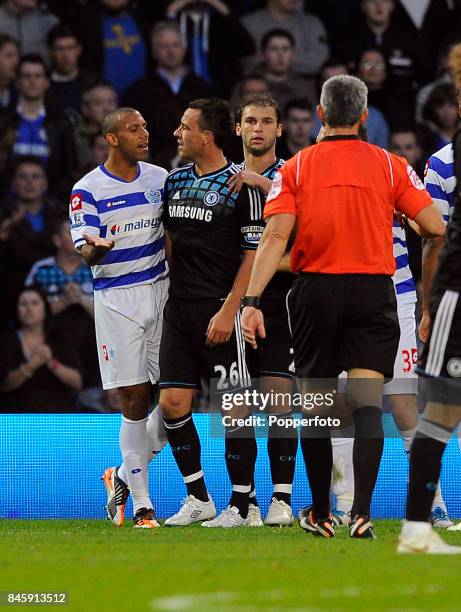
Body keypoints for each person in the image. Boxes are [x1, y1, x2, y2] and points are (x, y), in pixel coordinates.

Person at [241, 75, 445, 539]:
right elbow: (433, 227)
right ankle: (363, 514)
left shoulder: (295, 169)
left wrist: (252, 300)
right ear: (364, 116)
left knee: (317, 405)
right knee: (369, 405)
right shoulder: (391, 166)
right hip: (375, 291)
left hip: (315, 293)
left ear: (319, 115)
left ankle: (317, 510)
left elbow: (274, 237)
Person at [159, 98, 264, 527]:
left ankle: (244, 503)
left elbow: (253, 256)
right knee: (171, 403)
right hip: (178, 309)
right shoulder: (174, 181)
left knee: (234, 408)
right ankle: (198, 497)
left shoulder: (242, 186)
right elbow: (168, 241)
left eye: (185, 127)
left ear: (207, 136)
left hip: (222, 311)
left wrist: (230, 311)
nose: (177, 134)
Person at [70, 106, 169, 528]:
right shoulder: (86, 189)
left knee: (175, 396)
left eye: (145, 127)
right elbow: (85, 249)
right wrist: (95, 249)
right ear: (112, 138)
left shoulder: (160, 178)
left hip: (161, 291)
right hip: (117, 298)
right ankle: (143, 504)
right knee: (134, 400)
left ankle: (120, 479)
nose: (144, 134)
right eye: (133, 129)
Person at [227, 94, 297, 526]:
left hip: (282, 300)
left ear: (279, 130)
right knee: (234, 403)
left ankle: (282, 501)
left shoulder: (294, 174)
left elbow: (308, 235)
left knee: (278, 400)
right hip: (234, 301)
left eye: (267, 121)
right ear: (237, 128)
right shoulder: (221, 180)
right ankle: (242, 503)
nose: (258, 128)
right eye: (250, 120)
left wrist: (263, 185)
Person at [397, 127, 461, 554]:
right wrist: (428, 308)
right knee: (441, 409)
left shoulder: (442, 161)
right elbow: (432, 236)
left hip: (451, 296)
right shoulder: (444, 161)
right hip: (456, 294)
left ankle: (418, 526)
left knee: (440, 409)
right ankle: (420, 523)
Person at [25, 214, 102, 411]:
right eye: (70, 232)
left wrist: (82, 301)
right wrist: (64, 301)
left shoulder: (95, 268)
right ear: (57, 240)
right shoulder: (42, 269)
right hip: (51, 346)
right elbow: (25, 308)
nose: (77, 236)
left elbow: (111, 315)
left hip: (92, 347)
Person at [123, 21, 213, 170]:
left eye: (176, 45)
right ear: (153, 51)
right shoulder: (138, 91)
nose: (171, 52)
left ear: (184, 48)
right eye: (163, 46)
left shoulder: (202, 87)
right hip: (154, 164)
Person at [0, 285, 82, 412]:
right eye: (23, 303)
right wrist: (31, 365)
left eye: (34, 303)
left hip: (57, 416)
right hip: (15, 419)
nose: (28, 308)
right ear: (16, 309)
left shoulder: (59, 338)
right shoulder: (6, 341)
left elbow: (77, 383)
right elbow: (4, 385)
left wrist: (51, 363)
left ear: (45, 308)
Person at [241, 0, 329, 77]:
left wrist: (271, 61)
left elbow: (319, 62)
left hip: (302, 88)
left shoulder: (312, 23)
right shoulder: (248, 24)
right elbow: (246, 64)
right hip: (258, 89)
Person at [252, 29, 317, 113]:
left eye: (285, 49)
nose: (280, 55)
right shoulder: (248, 86)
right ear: (263, 54)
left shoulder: (306, 88)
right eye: (274, 49)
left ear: (292, 53)